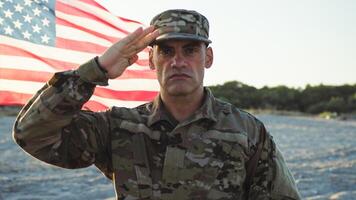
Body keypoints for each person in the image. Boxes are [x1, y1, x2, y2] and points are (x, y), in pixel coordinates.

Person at [13, 9, 301, 200]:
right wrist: (95, 71)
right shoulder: (119, 126)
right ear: (151, 59)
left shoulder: (246, 131)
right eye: (166, 51)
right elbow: (32, 134)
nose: (178, 62)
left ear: (208, 58)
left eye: (190, 50)